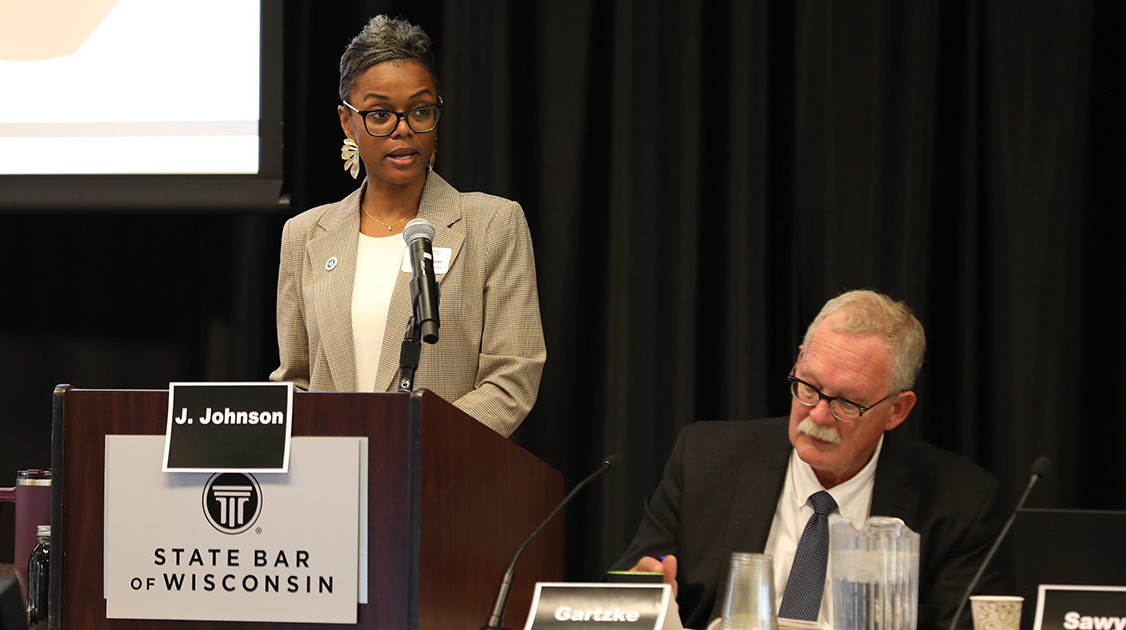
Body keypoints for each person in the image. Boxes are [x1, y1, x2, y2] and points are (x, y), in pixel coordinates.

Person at [610, 290, 1002, 630]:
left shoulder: (959, 503)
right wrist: (641, 589)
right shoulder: (706, 459)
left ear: (897, 410)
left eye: (847, 403)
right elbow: (623, 587)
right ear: (799, 360)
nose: (817, 416)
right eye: (808, 387)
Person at [270, 15, 545, 437]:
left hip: (442, 477)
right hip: (333, 483)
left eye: (420, 110)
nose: (403, 130)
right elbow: (296, 381)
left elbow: (512, 378)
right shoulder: (306, 235)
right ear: (347, 121)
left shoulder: (493, 224)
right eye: (380, 114)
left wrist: (411, 442)